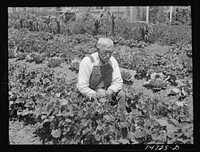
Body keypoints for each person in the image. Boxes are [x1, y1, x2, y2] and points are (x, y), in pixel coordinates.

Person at [77, 37, 127, 115]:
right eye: (105, 52)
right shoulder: (88, 61)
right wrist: (94, 94)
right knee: (97, 105)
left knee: (122, 94)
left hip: (107, 91)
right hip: (91, 93)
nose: (108, 55)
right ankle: (99, 121)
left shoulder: (112, 60)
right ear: (98, 49)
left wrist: (110, 91)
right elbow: (82, 86)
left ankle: (122, 116)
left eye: (110, 52)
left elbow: (118, 81)